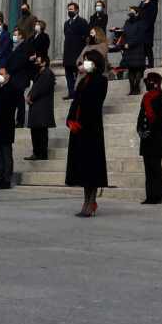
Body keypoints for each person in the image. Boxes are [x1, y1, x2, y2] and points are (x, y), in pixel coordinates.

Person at [65, 49, 108, 215]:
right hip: (79, 129)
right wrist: (70, 120)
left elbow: (94, 103)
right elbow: (75, 102)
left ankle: (92, 201)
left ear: (95, 63)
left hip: (91, 128)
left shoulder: (101, 81)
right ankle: (86, 201)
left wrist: (82, 121)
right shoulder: (82, 81)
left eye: (87, 61)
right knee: (82, 168)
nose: (84, 63)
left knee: (92, 167)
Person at [137, 71, 162, 204]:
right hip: (146, 138)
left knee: (155, 166)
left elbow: (161, 119)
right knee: (147, 168)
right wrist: (140, 130)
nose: (147, 84)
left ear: (155, 83)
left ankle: (158, 194)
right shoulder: (145, 98)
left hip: (156, 138)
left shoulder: (161, 98)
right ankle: (149, 195)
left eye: (149, 81)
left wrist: (150, 130)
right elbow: (141, 116)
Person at [26, 51, 55, 161]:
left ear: (44, 63)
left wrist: (31, 97)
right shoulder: (39, 73)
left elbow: (41, 89)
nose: (36, 61)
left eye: (38, 60)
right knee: (35, 131)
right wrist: (29, 96)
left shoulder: (47, 73)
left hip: (42, 107)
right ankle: (36, 152)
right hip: (37, 107)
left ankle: (41, 153)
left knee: (41, 132)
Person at [119, 2, 151, 94]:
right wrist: (124, 44)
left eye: (132, 11)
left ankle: (136, 88)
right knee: (131, 70)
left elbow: (140, 36)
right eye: (129, 11)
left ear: (137, 13)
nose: (130, 13)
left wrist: (130, 44)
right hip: (128, 49)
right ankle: (132, 88)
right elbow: (124, 34)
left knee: (138, 69)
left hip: (137, 48)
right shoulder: (127, 22)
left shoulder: (141, 23)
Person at [6, 24, 32, 128]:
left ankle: (20, 121)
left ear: (21, 36)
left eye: (16, 35)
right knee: (14, 99)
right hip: (14, 77)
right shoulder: (14, 47)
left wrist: (10, 70)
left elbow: (20, 61)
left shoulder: (24, 46)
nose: (14, 36)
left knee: (20, 100)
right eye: (14, 34)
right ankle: (14, 120)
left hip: (20, 77)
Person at [63, 2, 90, 98]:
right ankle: (71, 93)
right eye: (68, 9)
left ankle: (79, 93)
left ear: (77, 10)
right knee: (68, 75)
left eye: (71, 9)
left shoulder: (82, 22)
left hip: (78, 53)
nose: (69, 11)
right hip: (68, 53)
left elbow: (86, 37)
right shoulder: (66, 23)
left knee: (79, 74)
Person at [135, 0, 159, 69]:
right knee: (141, 51)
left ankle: (151, 66)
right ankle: (142, 67)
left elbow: (152, 19)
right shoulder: (140, 5)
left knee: (148, 49)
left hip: (147, 31)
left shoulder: (152, 4)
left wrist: (144, 27)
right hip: (140, 32)